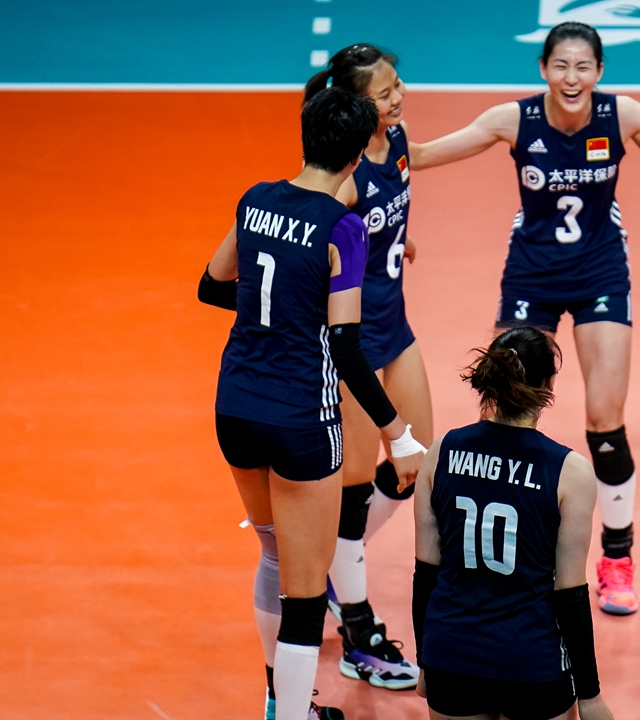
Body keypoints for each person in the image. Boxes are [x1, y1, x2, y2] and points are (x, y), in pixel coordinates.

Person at [405, 21, 640, 614]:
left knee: (604, 416)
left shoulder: (620, 115)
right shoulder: (512, 120)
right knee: (503, 404)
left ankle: (617, 558)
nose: (572, 78)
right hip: (531, 275)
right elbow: (419, 156)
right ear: (543, 70)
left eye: (583, 67)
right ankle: (505, 545)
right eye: (560, 66)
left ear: (599, 72)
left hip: (601, 272)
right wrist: (377, 126)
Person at [198, 86, 426, 720]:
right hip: (301, 417)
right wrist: (396, 433)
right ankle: (293, 717)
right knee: (306, 590)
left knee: (273, 554)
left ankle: (280, 704)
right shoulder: (344, 228)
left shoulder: (257, 200)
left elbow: (210, 284)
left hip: (235, 405)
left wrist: (276, 316)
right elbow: (349, 349)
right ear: (358, 155)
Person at [301, 43, 432, 692]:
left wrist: (397, 237)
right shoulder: (345, 180)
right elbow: (323, 241)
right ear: (356, 106)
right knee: (354, 488)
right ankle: (357, 632)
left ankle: (332, 568)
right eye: (384, 93)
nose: (398, 97)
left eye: (398, 84)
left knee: (415, 461)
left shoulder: (399, 140)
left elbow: (397, 195)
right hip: (349, 342)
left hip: (396, 328)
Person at [410, 327, 616, 720]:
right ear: (547, 385)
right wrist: (588, 694)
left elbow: (426, 574)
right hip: (531, 662)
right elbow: (569, 594)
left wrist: (425, 661)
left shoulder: (442, 452)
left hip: (451, 655)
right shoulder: (569, 471)